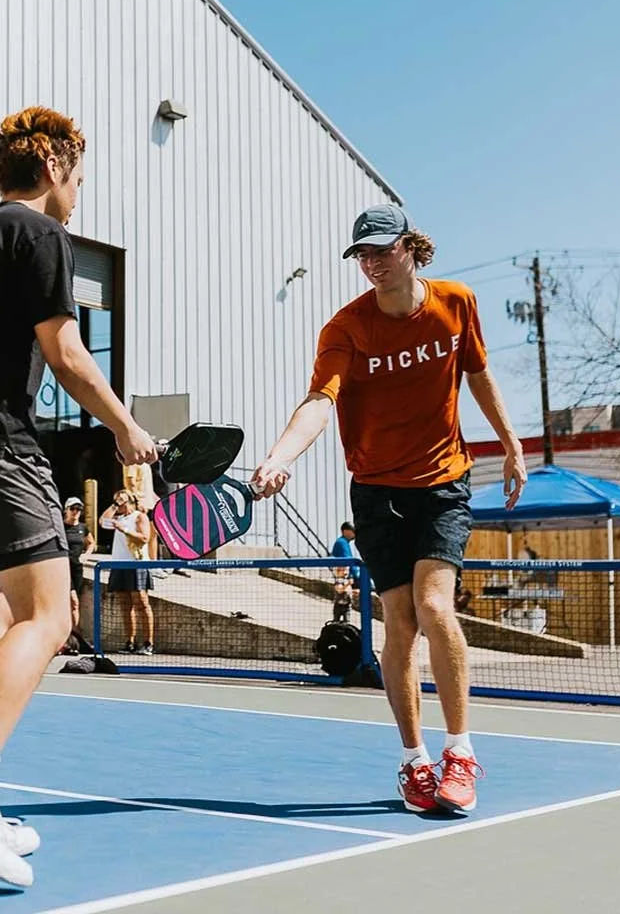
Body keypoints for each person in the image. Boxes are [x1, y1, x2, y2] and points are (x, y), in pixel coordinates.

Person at [0, 105, 157, 886]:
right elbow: (67, 349)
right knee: (53, 617)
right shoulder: (42, 234)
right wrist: (126, 429)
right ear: (53, 169)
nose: (78, 196)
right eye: (78, 180)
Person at [251, 203, 526, 816]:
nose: (372, 263)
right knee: (398, 623)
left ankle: (460, 752)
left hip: (443, 483)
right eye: (362, 255)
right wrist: (281, 455)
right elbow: (320, 401)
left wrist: (510, 446)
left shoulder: (456, 303)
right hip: (376, 490)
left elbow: (478, 375)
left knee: (434, 605)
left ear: (411, 246)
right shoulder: (345, 328)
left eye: (381, 250)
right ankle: (414, 762)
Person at [99, 489, 155, 654]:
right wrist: (115, 505)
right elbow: (102, 521)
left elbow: (145, 537)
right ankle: (129, 642)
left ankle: (148, 642)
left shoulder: (139, 516)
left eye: (120, 502)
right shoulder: (118, 518)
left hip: (135, 563)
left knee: (141, 602)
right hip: (119, 563)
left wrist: (124, 530)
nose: (117, 506)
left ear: (128, 502)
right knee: (125, 604)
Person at [63, 496, 95, 639]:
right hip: (63, 568)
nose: (75, 512)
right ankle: (72, 635)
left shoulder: (83, 528)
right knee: (73, 600)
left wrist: (86, 555)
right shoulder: (61, 527)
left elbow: (91, 543)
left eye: (78, 509)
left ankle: (74, 637)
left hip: (77, 568)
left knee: (75, 604)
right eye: (73, 509)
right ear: (66, 510)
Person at [331, 521, 363, 616]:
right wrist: (355, 575)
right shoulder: (342, 543)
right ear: (345, 531)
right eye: (352, 531)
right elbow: (348, 560)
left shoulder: (342, 542)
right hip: (346, 576)